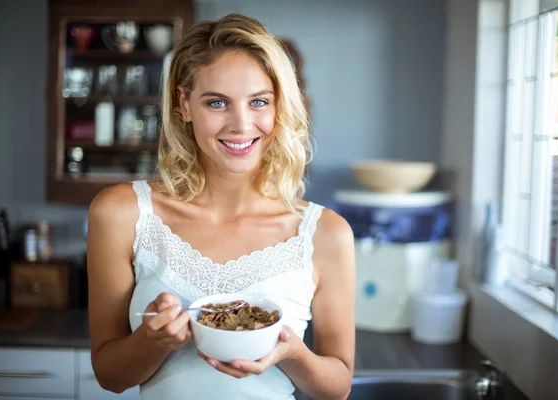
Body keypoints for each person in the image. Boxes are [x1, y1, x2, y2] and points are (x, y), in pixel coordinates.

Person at [87, 13, 356, 400]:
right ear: (184, 104)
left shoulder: (326, 233)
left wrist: (291, 352)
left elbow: (338, 388)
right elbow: (110, 377)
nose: (241, 124)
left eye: (259, 101)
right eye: (217, 103)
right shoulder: (121, 213)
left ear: (279, 108)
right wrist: (155, 339)